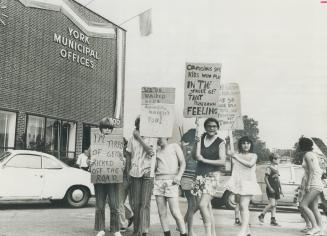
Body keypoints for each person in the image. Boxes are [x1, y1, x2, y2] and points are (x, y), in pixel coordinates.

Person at [192, 117, 226, 236]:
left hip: (213, 175)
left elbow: (222, 161)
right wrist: (195, 144)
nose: (212, 128)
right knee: (206, 206)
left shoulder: (220, 142)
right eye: (209, 126)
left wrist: (205, 160)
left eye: (214, 126)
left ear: (217, 128)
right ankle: (213, 233)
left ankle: (207, 234)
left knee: (202, 205)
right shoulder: (200, 138)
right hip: (199, 175)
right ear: (205, 127)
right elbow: (194, 156)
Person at [89, 117, 123, 236]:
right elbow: (88, 158)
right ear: (101, 129)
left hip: (113, 180)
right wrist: (90, 162)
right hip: (99, 179)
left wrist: (122, 163)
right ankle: (100, 229)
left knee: (114, 204)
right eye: (105, 128)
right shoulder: (95, 143)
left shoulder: (118, 144)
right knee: (100, 205)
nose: (107, 130)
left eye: (109, 128)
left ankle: (116, 229)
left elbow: (122, 159)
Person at [125, 116, 157, 236]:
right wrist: (128, 171)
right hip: (134, 172)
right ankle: (136, 229)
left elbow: (150, 151)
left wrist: (139, 138)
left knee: (145, 203)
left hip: (148, 172)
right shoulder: (130, 138)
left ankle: (143, 231)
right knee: (135, 203)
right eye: (140, 124)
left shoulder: (153, 138)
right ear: (137, 125)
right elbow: (128, 155)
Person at [225, 136, 261, 236]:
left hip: (248, 183)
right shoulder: (237, 154)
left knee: (244, 206)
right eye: (244, 143)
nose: (246, 145)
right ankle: (247, 230)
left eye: (248, 143)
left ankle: (242, 231)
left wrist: (236, 157)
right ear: (240, 145)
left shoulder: (254, 155)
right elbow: (228, 153)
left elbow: (250, 164)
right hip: (238, 183)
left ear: (250, 145)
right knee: (241, 206)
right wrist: (228, 142)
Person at [154, 137, 187, 236]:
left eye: (161, 137)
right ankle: (167, 234)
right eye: (157, 138)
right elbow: (155, 168)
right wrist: (152, 156)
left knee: (175, 212)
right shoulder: (156, 151)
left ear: (166, 136)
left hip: (172, 181)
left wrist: (179, 176)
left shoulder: (174, 146)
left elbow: (183, 163)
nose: (159, 139)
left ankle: (183, 234)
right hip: (158, 181)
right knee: (161, 213)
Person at [298, 137, 324, 236]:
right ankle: (321, 230)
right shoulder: (313, 154)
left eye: (300, 145)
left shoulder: (308, 154)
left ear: (303, 145)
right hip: (317, 183)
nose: (299, 147)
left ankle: (314, 227)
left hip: (314, 184)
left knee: (303, 205)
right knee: (314, 207)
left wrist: (308, 184)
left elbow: (312, 170)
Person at [180, 129, 198, 236]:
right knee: (192, 205)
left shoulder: (199, 148)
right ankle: (190, 231)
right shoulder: (184, 147)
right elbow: (183, 161)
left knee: (197, 205)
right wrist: (192, 150)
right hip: (186, 177)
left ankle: (182, 223)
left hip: (196, 178)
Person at [258, 153, 283, 226]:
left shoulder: (276, 168)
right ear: (273, 159)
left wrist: (281, 189)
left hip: (276, 188)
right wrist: (270, 188)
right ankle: (262, 215)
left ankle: (273, 220)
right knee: (272, 204)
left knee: (275, 205)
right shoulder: (269, 168)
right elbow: (265, 178)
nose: (279, 160)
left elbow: (278, 180)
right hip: (271, 187)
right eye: (278, 158)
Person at [119, 137, 134, 232]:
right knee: (116, 201)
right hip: (119, 179)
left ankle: (123, 224)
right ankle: (129, 215)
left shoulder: (127, 151)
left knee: (118, 201)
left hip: (125, 178)